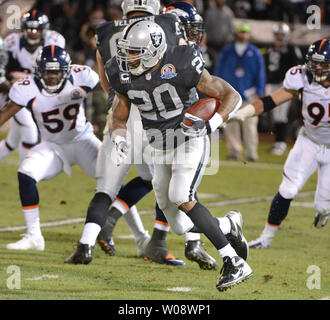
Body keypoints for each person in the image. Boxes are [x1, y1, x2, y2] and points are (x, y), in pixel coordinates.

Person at [65, 0, 219, 270]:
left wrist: (120, 105)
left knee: (115, 185)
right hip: (156, 115)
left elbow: (108, 85)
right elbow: (181, 70)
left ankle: (92, 239)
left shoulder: (103, 32)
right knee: (169, 180)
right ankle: (174, 241)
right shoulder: (167, 25)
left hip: (123, 114)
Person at [106, 20, 252, 291]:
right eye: (126, 50)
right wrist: (119, 140)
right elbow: (119, 114)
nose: (127, 57)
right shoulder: (121, 72)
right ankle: (229, 224)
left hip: (188, 138)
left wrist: (210, 125)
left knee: (181, 195)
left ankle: (233, 262)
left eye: (135, 51)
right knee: (178, 225)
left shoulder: (182, 62)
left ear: (154, 49)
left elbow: (231, 96)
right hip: (158, 145)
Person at [229, 38, 330, 249]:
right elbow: (270, 101)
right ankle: (265, 238)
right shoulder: (301, 77)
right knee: (288, 189)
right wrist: (241, 114)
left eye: (324, 63)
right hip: (309, 141)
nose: (317, 67)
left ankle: (323, 211)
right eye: (314, 62)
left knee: (322, 206)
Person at [0, 45, 101, 250]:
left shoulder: (82, 75)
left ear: (67, 70)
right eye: (48, 71)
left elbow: (108, 90)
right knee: (26, 173)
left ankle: (141, 236)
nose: (52, 77)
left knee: (113, 180)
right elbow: (6, 112)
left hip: (83, 140)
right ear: (39, 70)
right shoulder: (26, 87)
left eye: (56, 71)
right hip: (53, 146)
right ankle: (34, 236)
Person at [0, 9, 66, 164]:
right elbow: (3, 74)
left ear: (44, 30)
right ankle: (27, 172)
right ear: (23, 28)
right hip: (16, 95)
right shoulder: (11, 43)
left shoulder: (54, 41)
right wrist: (17, 89)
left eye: (37, 29)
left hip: (39, 93)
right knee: (30, 132)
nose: (33, 32)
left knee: (12, 141)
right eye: (29, 28)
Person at [214, 22, 266, 161]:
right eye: (241, 32)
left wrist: (260, 90)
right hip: (230, 95)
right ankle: (234, 151)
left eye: (245, 32)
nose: (243, 34)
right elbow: (218, 71)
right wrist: (217, 89)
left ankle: (251, 153)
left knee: (250, 126)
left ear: (249, 34)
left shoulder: (255, 52)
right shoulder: (227, 51)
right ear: (236, 33)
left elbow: (261, 72)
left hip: (249, 93)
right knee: (230, 125)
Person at [264, 22, 303, 156]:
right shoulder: (270, 49)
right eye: (278, 35)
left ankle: (281, 143)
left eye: (282, 35)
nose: (279, 37)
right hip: (272, 83)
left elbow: (297, 69)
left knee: (282, 115)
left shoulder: (292, 49)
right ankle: (278, 142)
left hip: (285, 86)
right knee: (275, 115)